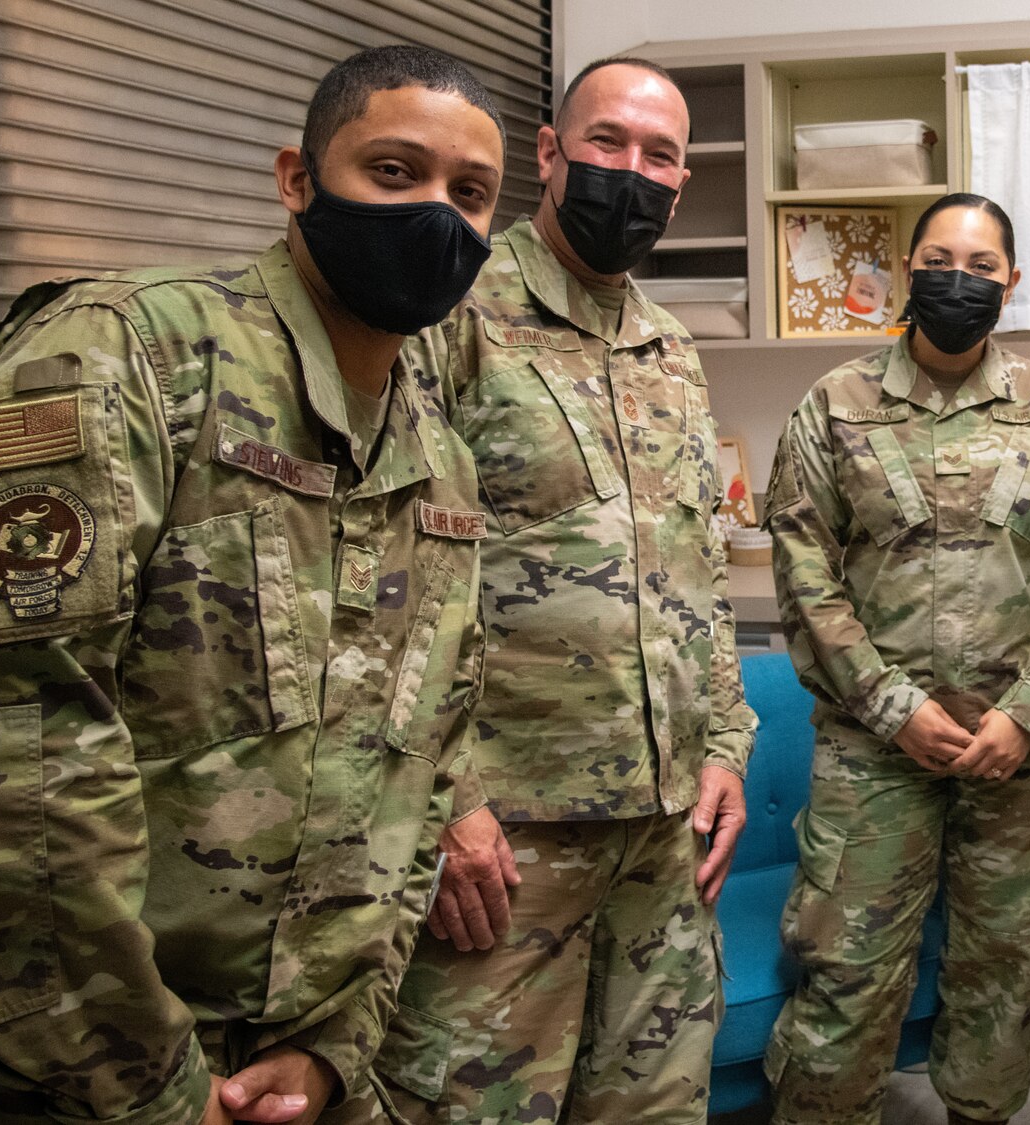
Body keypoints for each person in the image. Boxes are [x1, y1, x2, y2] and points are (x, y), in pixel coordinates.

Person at [0, 44, 508, 1125]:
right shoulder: (121, 361)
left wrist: (333, 1044)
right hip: (52, 1078)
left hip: (294, 1068)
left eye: (470, 194)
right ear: (295, 180)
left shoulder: (434, 458)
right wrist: (148, 1087)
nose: (437, 216)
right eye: (394, 173)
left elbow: (422, 768)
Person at [372, 56, 755, 1124]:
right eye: (607, 144)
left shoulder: (672, 348)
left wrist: (725, 743)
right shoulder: (449, 314)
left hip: (665, 835)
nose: (631, 172)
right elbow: (384, 574)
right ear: (549, 152)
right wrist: (447, 802)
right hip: (509, 838)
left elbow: (697, 573)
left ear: (681, 183)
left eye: (660, 156)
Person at [762, 193, 1030, 1125]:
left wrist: (1029, 712)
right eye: (937, 259)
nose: (957, 280)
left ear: (1011, 281)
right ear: (907, 270)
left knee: (1002, 972)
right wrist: (892, 706)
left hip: (1022, 760)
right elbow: (806, 576)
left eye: (980, 264)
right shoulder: (835, 405)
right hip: (875, 753)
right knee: (845, 973)